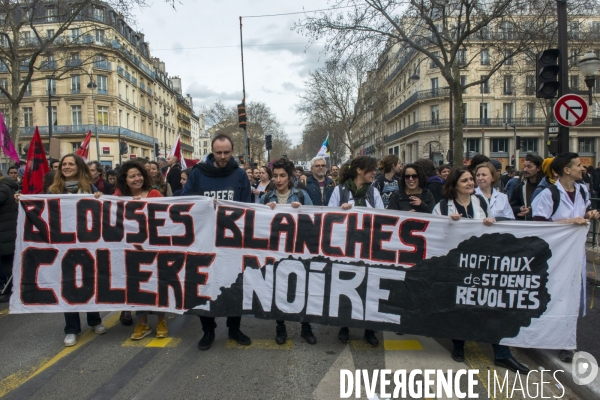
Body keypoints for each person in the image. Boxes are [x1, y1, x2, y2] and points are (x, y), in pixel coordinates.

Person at [432, 168, 529, 374]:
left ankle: (502, 354)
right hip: (455, 266)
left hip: (480, 265)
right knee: (459, 307)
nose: (470, 183)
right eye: (465, 180)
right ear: (454, 184)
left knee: (490, 307)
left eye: (471, 179)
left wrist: (491, 222)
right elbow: (432, 234)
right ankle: (459, 346)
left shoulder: (481, 203)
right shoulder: (442, 207)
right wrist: (448, 223)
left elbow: (493, 228)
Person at [181, 133, 252, 350]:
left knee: (234, 286)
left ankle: (234, 328)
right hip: (204, 241)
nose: (222, 156)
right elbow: (185, 199)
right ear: (212, 151)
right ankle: (208, 330)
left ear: (232, 152)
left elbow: (248, 207)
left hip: (232, 243)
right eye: (218, 152)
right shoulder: (198, 173)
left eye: (226, 152)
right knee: (204, 286)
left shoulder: (240, 175)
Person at [532, 153, 600, 362]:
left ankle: (566, 343)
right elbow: (538, 226)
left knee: (571, 299)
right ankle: (541, 335)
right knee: (550, 297)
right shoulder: (548, 195)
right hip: (554, 258)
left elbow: (582, 212)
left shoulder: (582, 190)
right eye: (579, 165)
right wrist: (569, 222)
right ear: (567, 170)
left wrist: (589, 215)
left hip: (574, 256)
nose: (583, 168)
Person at [47, 154, 107, 347]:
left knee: (89, 281)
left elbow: (102, 212)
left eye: (70, 164)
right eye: (63, 164)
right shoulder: (53, 190)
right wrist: (21, 200)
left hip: (87, 243)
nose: (66, 167)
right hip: (64, 246)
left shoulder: (91, 188)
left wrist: (99, 198)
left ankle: (94, 320)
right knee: (68, 285)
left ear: (78, 167)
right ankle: (71, 328)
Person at [327, 156, 383, 346]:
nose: (374, 173)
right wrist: (340, 212)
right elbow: (328, 217)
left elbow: (382, 218)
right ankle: (345, 325)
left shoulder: (373, 192)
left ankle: (369, 328)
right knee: (345, 286)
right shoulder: (339, 191)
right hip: (346, 249)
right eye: (370, 169)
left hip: (368, 249)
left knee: (369, 287)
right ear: (359, 170)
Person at [260, 158, 316, 345]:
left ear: (290, 176)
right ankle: (280, 326)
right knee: (278, 288)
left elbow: (316, 221)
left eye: (282, 175)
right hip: (276, 251)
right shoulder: (266, 198)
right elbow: (257, 225)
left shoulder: (301, 196)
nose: (278, 179)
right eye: (275, 176)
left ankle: (306, 327)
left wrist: (303, 211)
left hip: (300, 250)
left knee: (303, 288)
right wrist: (264, 212)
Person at [114, 161, 167, 337]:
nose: (137, 179)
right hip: (130, 249)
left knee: (157, 284)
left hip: (153, 248)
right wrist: (99, 198)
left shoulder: (154, 194)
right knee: (136, 286)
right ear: (125, 179)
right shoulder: (118, 196)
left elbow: (165, 217)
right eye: (132, 176)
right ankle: (143, 323)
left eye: (139, 175)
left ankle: (161, 321)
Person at [509, 153, 544, 220]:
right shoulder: (519, 186)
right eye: (524, 166)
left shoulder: (546, 187)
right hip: (525, 225)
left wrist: (531, 210)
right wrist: (519, 209)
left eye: (529, 167)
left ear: (538, 168)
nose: (525, 169)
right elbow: (511, 206)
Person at [0, 174, 18, 302]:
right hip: (7, 232)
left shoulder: (3, 188)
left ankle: (11, 291)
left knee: (8, 263)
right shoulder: (7, 188)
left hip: (6, 233)